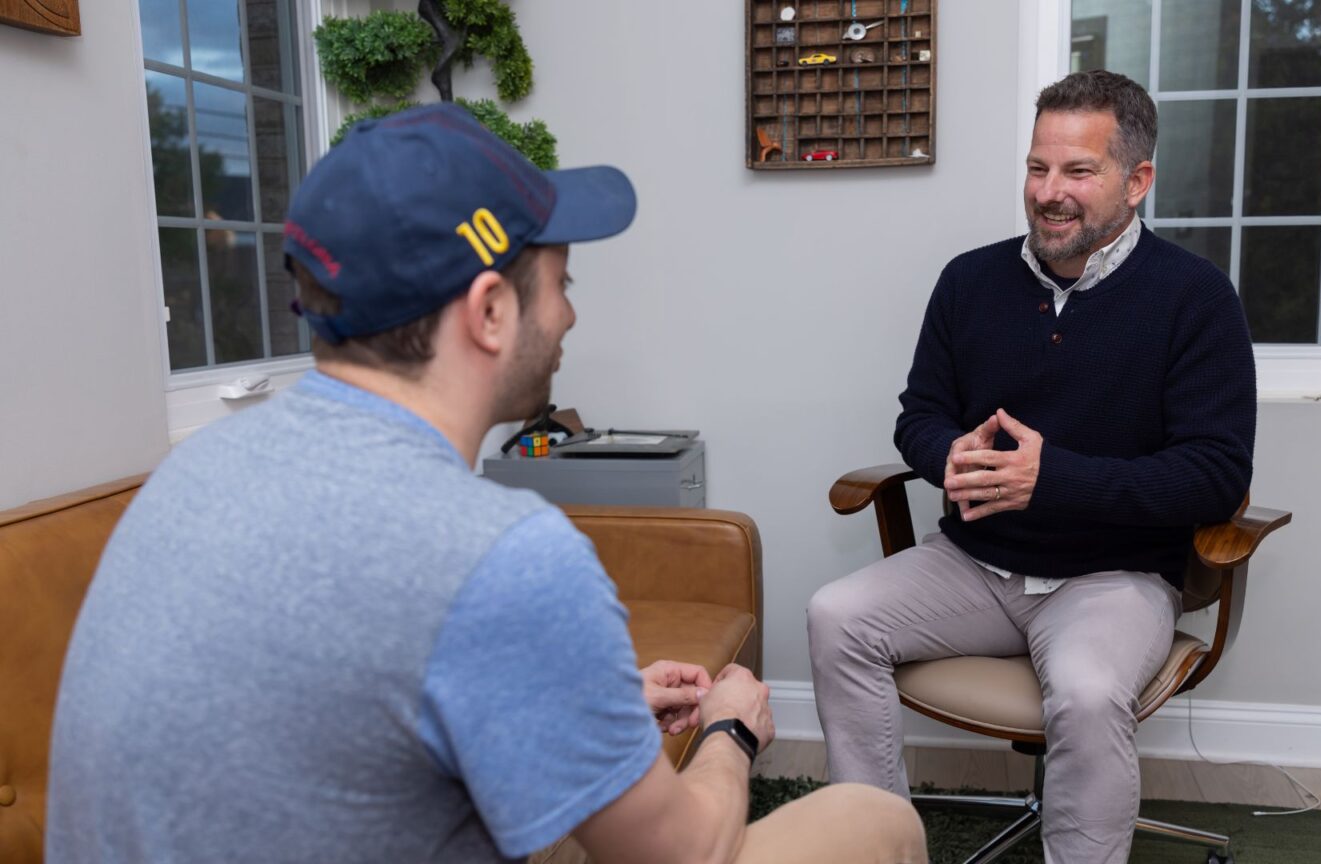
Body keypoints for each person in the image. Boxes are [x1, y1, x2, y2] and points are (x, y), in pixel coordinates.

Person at [48, 103, 926, 864]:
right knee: (871, 819)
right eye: (560, 282)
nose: (570, 313)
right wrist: (732, 725)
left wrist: (588, 705)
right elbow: (685, 852)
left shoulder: (194, 471)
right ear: (491, 312)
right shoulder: (501, 555)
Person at [807, 70, 1256, 864]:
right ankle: (876, 847)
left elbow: (1215, 474)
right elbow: (919, 414)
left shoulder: (1197, 298)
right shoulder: (969, 281)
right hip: (975, 565)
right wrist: (947, 453)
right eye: (1037, 167)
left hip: (1113, 577)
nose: (1049, 193)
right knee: (836, 617)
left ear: (1137, 181)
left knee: (1086, 692)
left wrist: (1054, 478)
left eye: (1078, 171)